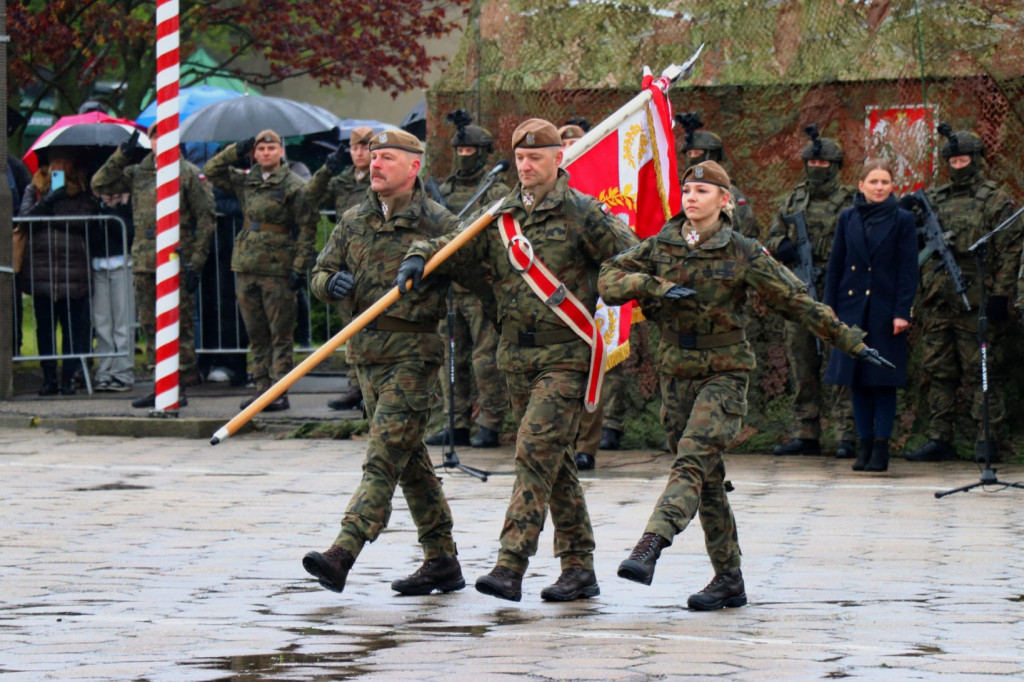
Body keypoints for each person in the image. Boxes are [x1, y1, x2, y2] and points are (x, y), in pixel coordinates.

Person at [598, 160, 892, 610]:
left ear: (724, 201)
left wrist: (851, 342)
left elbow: (797, 302)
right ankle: (729, 579)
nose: (691, 197)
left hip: (725, 373)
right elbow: (609, 278)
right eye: (687, 189)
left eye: (701, 190)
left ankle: (651, 543)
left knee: (691, 462)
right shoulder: (661, 244)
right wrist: (651, 285)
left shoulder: (743, 251)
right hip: (676, 373)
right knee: (707, 479)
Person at [400, 118, 640, 602]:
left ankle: (511, 564)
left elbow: (634, 256)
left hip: (566, 353)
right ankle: (578, 567)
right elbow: (457, 246)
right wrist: (421, 255)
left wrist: (620, 289)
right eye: (520, 159)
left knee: (532, 450)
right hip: (515, 355)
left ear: (559, 158)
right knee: (554, 462)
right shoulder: (500, 216)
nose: (526, 166)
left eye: (536, 157)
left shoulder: (584, 213)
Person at [302, 129, 472, 597]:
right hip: (366, 360)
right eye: (372, 157)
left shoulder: (439, 222)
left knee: (381, 459)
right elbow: (319, 270)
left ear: (414, 166)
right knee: (409, 461)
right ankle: (442, 561)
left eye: (387, 158)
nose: (374, 164)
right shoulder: (354, 220)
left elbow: (474, 270)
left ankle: (343, 550)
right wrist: (328, 283)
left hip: (412, 358)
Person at [905, 124, 1022, 464]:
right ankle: (939, 438)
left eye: (964, 159)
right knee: (938, 371)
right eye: (953, 160)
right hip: (938, 299)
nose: (959, 165)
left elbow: (1011, 251)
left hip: (978, 300)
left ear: (976, 159)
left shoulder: (996, 200)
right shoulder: (935, 199)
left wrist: (1001, 296)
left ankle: (988, 438)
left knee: (982, 371)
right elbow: (912, 241)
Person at [92, 125, 216, 406]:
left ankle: (180, 384)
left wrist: (196, 261)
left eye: (166, 136)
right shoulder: (140, 172)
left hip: (176, 257)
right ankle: (159, 381)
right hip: (146, 258)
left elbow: (206, 218)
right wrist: (121, 155)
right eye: (156, 137)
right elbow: (99, 184)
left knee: (178, 323)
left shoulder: (187, 173)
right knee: (150, 324)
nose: (161, 141)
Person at [204, 130, 317, 412]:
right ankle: (262, 388)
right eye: (261, 148)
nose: (266, 153)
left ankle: (278, 391)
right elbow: (211, 171)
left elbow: (306, 226)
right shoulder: (248, 180)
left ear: (281, 152)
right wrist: (235, 150)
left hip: (278, 266)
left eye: (271, 148)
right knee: (256, 333)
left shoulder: (293, 184)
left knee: (280, 333)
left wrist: (300, 266)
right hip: (246, 263)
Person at [765, 124, 857, 458]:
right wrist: (782, 245)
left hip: (837, 291)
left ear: (836, 166)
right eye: (812, 164)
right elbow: (770, 236)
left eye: (824, 164)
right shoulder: (793, 198)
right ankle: (806, 431)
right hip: (800, 292)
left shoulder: (850, 201)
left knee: (840, 363)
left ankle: (847, 433)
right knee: (802, 364)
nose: (817, 169)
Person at [823, 160, 918, 472]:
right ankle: (863, 447)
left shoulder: (903, 219)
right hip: (851, 310)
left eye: (885, 182)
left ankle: (881, 448)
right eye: (873, 182)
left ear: (892, 186)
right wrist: (828, 305)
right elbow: (836, 263)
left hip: (885, 310)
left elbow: (908, 269)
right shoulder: (847, 217)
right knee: (857, 382)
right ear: (861, 185)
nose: (879, 187)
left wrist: (902, 312)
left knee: (882, 381)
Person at [423, 112, 510, 449]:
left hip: (482, 287)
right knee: (452, 358)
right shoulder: (443, 190)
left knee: (485, 361)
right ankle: (455, 422)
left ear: (483, 152)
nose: (464, 156)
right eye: (459, 150)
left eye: (471, 150)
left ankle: (489, 422)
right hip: (451, 287)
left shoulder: (496, 191)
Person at [305, 126, 375, 412]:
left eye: (365, 147)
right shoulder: (342, 180)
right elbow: (307, 199)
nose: (359, 153)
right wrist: (325, 170)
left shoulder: (381, 178)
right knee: (350, 328)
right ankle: (355, 387)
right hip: (347, 260)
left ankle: (372, 388)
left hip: (376, 259)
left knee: (376, 326)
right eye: (354, 148)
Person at [19, 150, 96, 396]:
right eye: (56, 162)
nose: (60, 166)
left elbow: (85, 219)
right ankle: (49, 377)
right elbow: (25, 218)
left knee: (72, 327)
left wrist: (53, 215)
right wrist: (48, 201)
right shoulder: (36, 188)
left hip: (72, 269)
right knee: (45, 327)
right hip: (43, 269)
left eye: (65, 161)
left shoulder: (82, 188)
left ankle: (68, 378)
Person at [675, 112, 760, 239]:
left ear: (712, 155)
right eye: (689, 154)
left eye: (697, 153)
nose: (692, 158)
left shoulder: (727, 192)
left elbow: (747, 232)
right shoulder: (679, 190)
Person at [89, 190, 136, 392]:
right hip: (99, 267)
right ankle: (105, 371)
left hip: (121, 266)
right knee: (102, 323)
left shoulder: (126, 209)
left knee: (122, 322)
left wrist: (120, 206)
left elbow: (128, 233)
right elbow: (93, 237)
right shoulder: (95, 209)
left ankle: (123, 372)